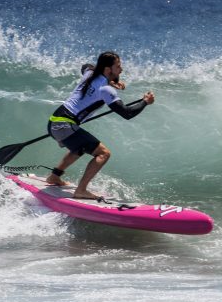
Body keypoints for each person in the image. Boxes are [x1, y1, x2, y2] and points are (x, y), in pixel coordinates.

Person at [47, 51, 155, 199]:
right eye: (118, 66)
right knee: (103, 153)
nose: (121, 70)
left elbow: (86, 66)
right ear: (107, 69)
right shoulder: (105, 89)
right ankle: (81, 190)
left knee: (79, 147)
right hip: (65, 126)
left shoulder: (90, 73)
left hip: (55, 121)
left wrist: (111, 81)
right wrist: (145, 102)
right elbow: (127, 113)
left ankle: (54, 177)